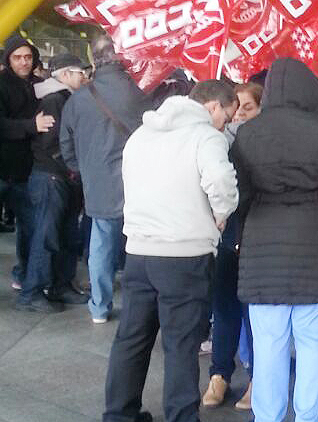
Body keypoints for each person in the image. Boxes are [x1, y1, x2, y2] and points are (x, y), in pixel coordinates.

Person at [103, 80, 239, 422]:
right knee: (180, 343)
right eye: (228, 116)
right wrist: (221, 214)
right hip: (185, 254)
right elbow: (221, 182)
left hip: (138, 251)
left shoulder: (141, 135)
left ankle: (119, 413)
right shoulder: (206, 137)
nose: (227, 124)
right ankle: (181, 416)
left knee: (131, 339)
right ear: (212, 107)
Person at [233, 58, 318, 422]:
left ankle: (267, 417)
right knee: (312, 345)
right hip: (316, 252)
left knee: (268, 347)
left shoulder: (248, 133)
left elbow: (236, 194)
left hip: (263, 256)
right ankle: (307, 417)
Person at [60, 36, 150, 323]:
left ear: (94, 60)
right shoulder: (141, 90)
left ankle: (99, 306)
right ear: (122, 56)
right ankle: (142, 309)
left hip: (98, 184)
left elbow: (66, 145)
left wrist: (85, 170)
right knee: (143, 247)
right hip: (140, 182)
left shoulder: (78, 99)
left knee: (101, 246)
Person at [201, 81, 265, 412]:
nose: (239, 115)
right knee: (223, 306)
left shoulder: (264, 143)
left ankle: (256, 377)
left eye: (248, 108)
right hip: (225, 236)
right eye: (236, 108)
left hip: (254, 233)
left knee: (252, 311)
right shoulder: (215, 141)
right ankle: (219, 374)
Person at [16, 54, 89, 312]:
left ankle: (61, 284)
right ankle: (31, 292)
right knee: (46, 237)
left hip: (61, 176)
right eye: (81, 72)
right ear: (66, 74)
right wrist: (71, 166)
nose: (85, 77)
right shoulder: (54, 100)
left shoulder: (64, 98)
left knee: (67, 235)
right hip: (51, 176)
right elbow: (52, 143)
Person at [0, 34, 53, 290]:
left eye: (28, 57)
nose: (23, 62)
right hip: (3, 168)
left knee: (30, 228)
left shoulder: (39, 85)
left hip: (26, 171)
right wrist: (31, 126)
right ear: (8, 59)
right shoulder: (1, 84)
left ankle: (24, 274)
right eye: (18, 57)